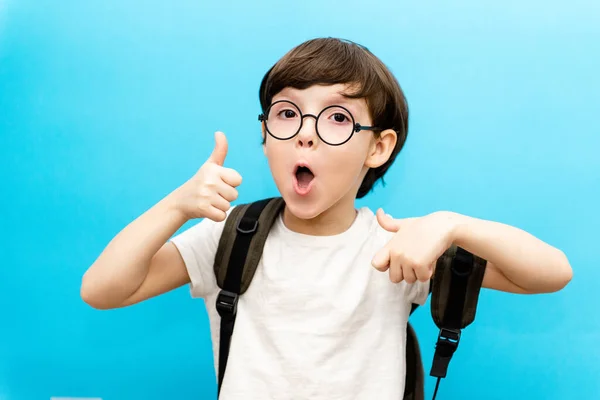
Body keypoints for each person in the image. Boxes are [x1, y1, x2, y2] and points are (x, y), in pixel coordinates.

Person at [80, 37, 573, 399]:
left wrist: (452, 225)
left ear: (377, 147)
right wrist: (175, 206)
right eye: (287, 113)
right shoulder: (230, 236)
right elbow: (102, 289)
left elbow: (551, 273)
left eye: (337, 117)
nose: (305, 135)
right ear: (266, 134)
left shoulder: (396, 247)